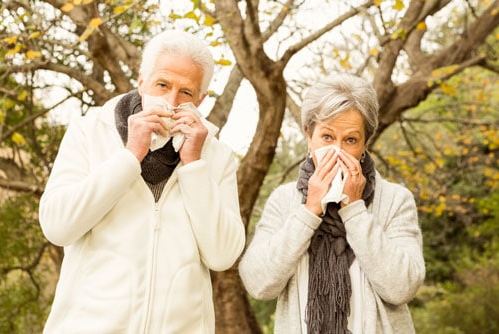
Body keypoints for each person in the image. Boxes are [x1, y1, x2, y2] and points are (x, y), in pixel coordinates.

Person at [39, 30, 246, 333]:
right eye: (162, 85)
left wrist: (194, 165)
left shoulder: (217, 157)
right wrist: (129, 156)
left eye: (186, 93)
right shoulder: (89, 130)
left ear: (200, 100)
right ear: (141, 82)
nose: (171, 101)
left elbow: (223, 255)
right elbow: (57, 226)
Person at [239, 73, 425, 333]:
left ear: (364, 144)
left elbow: (403, 287)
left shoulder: (395, 200)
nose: (337, 151)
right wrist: (309, 211)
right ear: (309, 135)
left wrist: (355, 210)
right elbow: (259, 283)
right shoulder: (284, 200)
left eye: (350, 140)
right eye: (327, 137)